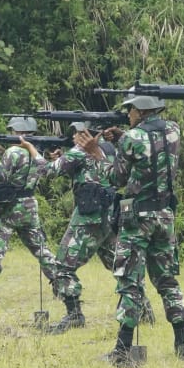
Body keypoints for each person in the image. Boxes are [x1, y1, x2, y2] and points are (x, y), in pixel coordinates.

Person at [74, 93, 184, 366]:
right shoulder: (174, 130)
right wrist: (124, 136)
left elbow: (116, 178)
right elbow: (149, 145)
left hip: (137, 217)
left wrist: (96, 152)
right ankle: (183, 344)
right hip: (165, 214)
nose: (127, 114)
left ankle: (123, 349)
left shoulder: (130, 139)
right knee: (167, 281)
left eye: (130, 110)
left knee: (130, 282)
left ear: (140, 110)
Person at [0, 116, 63, 303]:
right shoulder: (38, 152)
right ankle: (60, 284)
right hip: (29, 205)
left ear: (17, 132)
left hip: (9, 207)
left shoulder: (13, 152)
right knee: (41, 248)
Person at [41, 121, 120, 331]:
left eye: (76, 134)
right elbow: (92, 172)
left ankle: (74, 314)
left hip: (88, 218)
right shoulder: (110, 148)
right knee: (121, 266)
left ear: (83, 135)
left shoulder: (79, 151)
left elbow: (47, 172)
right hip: (109, 217)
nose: (73, 139)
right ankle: (142, 309)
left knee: (62, 267)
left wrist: (33, 151)